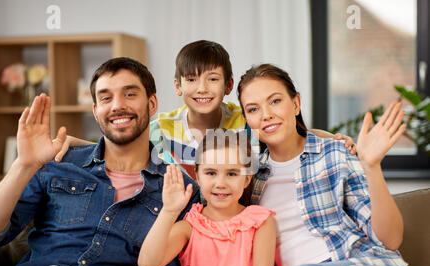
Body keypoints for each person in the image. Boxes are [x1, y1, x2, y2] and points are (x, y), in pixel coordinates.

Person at [0, 57, 199, 266]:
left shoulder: (181, 189)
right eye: (106, 98)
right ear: (96, 111)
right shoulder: (58, 164)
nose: (117, 106)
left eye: (129, 94)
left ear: (152, 103)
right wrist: (23, 165)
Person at [236, 63, 427, 266]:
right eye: (253, 109)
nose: (266, 115)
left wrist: (371, 167)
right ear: (246, 119)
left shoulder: (335, 153)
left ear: (295, 104)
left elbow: (390, 240)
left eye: (275, 101)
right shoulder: (248, 179)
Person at [57, 40, 356, 180]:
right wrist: (74, 142)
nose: (201, 88)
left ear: (227, 85)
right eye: (191, 80)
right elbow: (120, 142)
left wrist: (329, 136)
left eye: (212, 79)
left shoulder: (243, 120)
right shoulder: (163, 126)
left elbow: (285, 129)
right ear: (177, 86)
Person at [136, 130, 278, 266]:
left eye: (232, 174)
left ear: (247, 179)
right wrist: (169, 211)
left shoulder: (260, 220)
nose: (220, 183)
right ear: (198, 176)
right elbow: (147, 263)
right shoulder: (190, 226)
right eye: (211, 173)